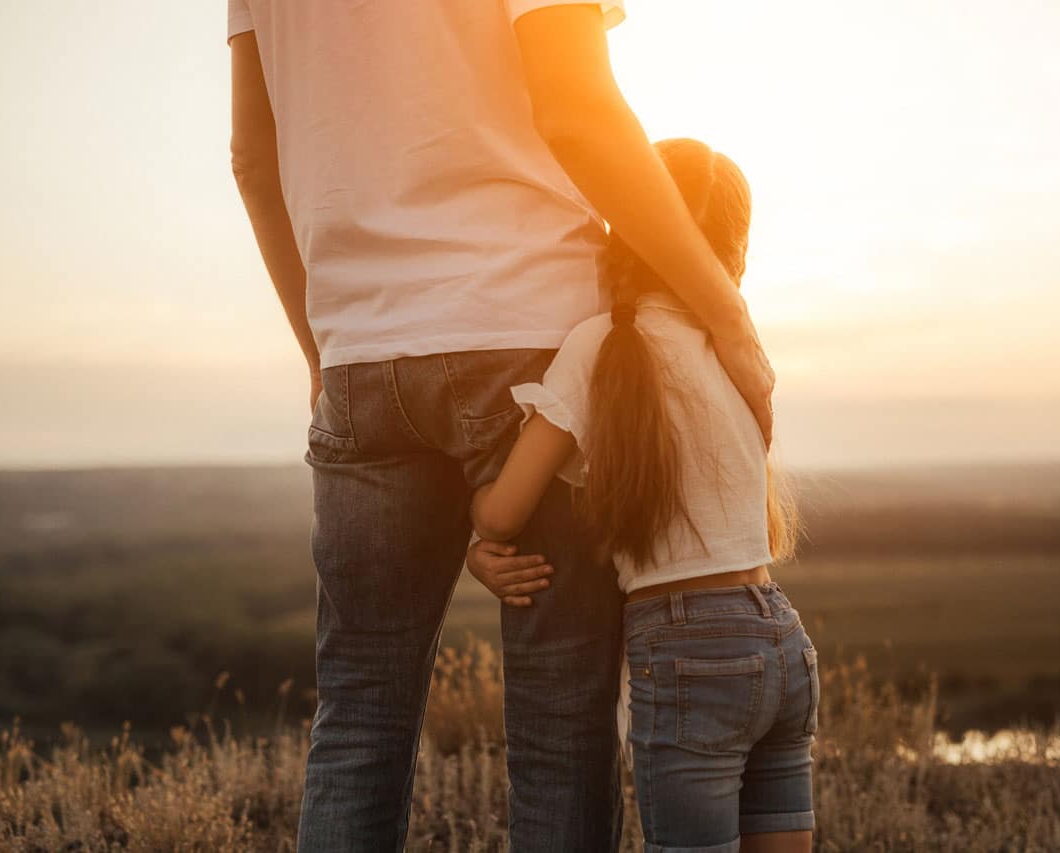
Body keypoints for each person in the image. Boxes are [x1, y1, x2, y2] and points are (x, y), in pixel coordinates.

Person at [226, 1, 775, 850]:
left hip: (360, 353)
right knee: (559, 718)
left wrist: (320, 350)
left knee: (360, 711)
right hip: (527, 338)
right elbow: (579, 112)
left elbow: (253, 162)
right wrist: (726, 314)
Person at [468, 138, 816, 853]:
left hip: (687, 645)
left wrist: (477, 538)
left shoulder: (597, 347)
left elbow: (504, 509)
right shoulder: (736, 355)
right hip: (780, 633)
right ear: (735, 252)